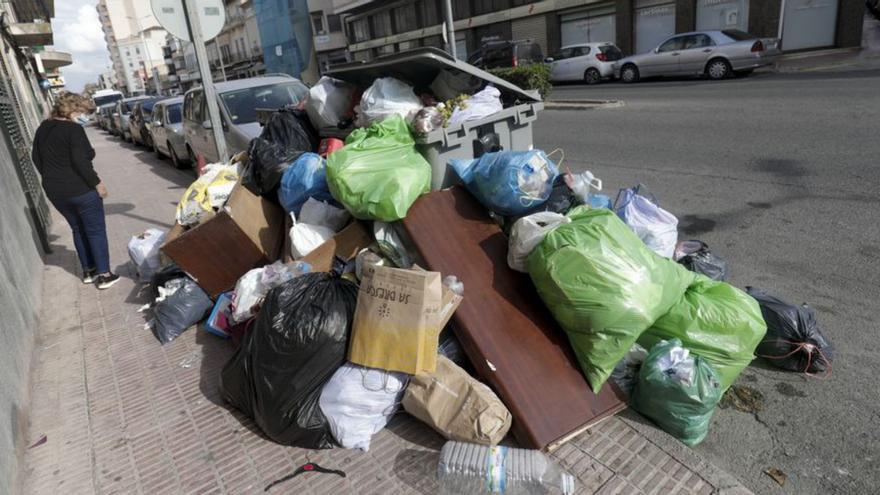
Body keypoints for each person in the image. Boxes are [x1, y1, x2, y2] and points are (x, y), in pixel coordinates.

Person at [32, 92, 120, 289]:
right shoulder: (73, 129)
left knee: (78, 228)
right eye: (81, 111)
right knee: (95, 230)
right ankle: (104, 275)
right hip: (81, 189)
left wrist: (52, 177)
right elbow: (81, 161)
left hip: (55, 191)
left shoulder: (42, 129)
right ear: (71, 109)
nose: (84, 116)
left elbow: (35, 158)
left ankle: (89, 271)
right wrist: (98, 183)